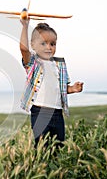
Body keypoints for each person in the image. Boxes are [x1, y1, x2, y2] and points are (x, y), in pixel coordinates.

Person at [19, 19, 83, 148]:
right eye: (43, 43)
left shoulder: (59, 64)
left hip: (57, 113)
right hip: (40, 112)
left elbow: (61, 89)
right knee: (42, 146)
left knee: (59, 145)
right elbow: (23, 49)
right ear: (33, 45)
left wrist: (72, 89)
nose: (49, 47)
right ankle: (41, 167)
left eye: (52, 44)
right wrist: (25, 26)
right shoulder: (33, 63)